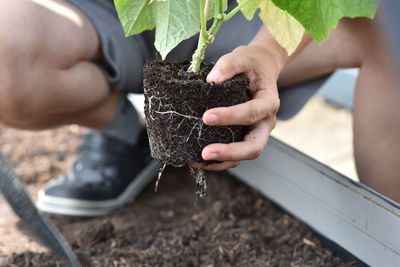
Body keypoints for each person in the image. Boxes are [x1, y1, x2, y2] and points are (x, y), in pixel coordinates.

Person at [0, 0, 262, 216]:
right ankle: (126, 132)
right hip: (103, 9)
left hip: (242, 14)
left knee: (282, 55)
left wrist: (269, 53)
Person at [195, 16, 400, 203]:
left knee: (388, 36)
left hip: (217, 29)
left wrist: (268, 52)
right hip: (170, 34)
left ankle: (388, 227)